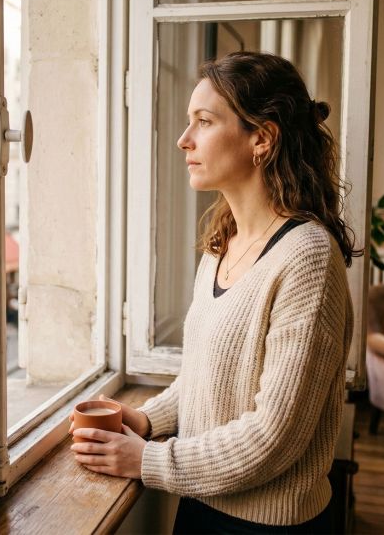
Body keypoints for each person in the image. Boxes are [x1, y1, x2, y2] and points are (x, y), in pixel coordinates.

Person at [69, 52, 359, 533]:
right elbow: (204, 382)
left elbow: (274, 438)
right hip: (204, 505)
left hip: (269, 526)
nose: (184, 140)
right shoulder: (222, 245)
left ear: (261, 138)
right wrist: (144, 420)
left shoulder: (307, 256)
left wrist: (148, 461)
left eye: (203, 122)